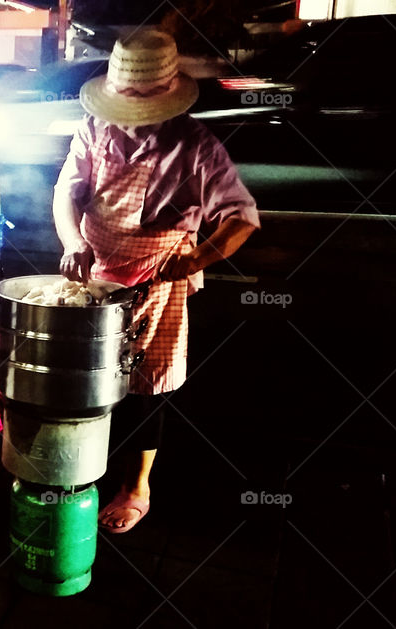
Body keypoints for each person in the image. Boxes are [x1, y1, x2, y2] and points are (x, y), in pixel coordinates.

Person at [52, 30, 260, 533]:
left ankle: (136, 485)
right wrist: (73, 244)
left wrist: (193, 261)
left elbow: (241, 218)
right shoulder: (94, 129)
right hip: (97, 269)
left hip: (159, 278)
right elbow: (67, 192)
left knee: (146, 385)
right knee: (89, 378)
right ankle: (81, 468)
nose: (130, 124)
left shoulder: (197, 148)